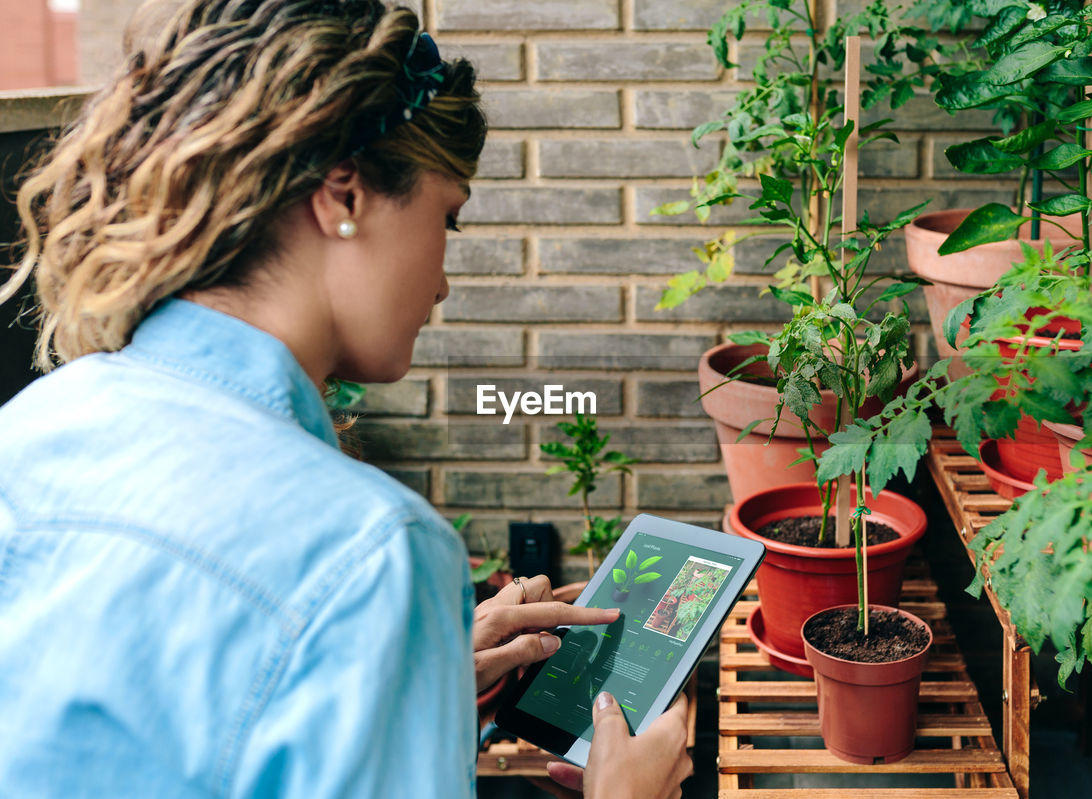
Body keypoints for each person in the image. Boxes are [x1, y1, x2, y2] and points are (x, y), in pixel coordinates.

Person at [0, 1, 692, 797]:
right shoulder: (371, 556)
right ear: (343, 194)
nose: (440, 282)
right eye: (449, 219)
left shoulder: (24, 432)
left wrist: (404, 686)